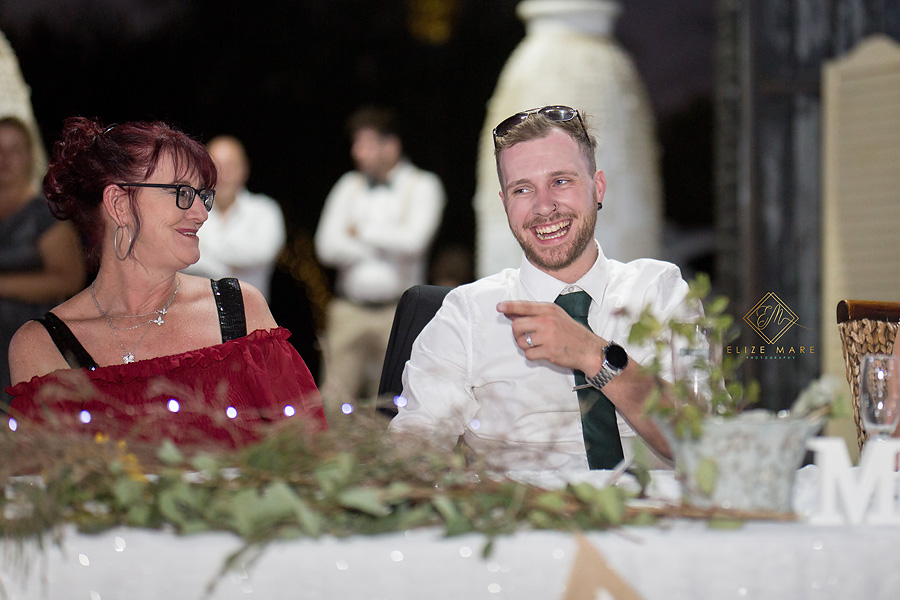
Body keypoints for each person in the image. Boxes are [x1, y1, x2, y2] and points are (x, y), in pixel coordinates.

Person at [389, 106, 695, 472]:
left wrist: (593, 354)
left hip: (652, 506)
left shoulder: (659, 291)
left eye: (561, 181)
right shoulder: (467, 314)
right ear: (505, 205)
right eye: (522, 189)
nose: (544, 206)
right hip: (519, 507)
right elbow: (413, 444)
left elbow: (702, 443)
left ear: (597, 187)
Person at [6, 117, 325, 447]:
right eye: (182, 193)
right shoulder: (44, 345)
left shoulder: (239, 312)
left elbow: (308, 454)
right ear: (119, 204)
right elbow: (48, 476)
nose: (201, 213)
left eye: (202, 195)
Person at [315, 107, 445, 421]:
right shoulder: (348, 185)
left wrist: (360, 231)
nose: (357, 153)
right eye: (356, 144)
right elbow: (326, 247)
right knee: (333, 404)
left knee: (392, 404)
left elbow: (414, 243)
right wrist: (386, 243)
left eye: (366, 144)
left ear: (391, 146)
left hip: (397, 312)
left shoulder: (424, 185)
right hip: (349, 309)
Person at [0, 116, 85, 409]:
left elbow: (70, 279)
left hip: (23, 341)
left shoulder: (44, 214)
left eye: (14, 149)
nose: (4, 158)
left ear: (29, 155)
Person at [181, 135, 285, 301]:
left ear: (244, 169)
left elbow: (262, 253)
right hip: (193, 310)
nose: (222, 175)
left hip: (250, 312)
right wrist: (231, 267)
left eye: (229, 166)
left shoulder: (265, 211)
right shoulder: (188, 210)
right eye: (215, 167)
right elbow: (178, 255)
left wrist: (205, 252)